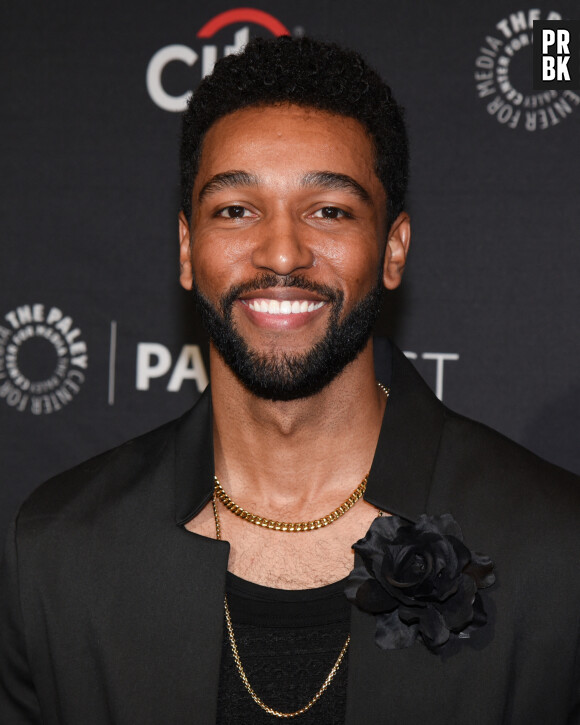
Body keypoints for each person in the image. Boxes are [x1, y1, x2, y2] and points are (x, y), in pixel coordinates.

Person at [1, 36, 579, 725]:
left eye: (328, 211)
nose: (281, 252)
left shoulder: (554, 547)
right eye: (236, 210)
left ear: (393, 250)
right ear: (187, 250)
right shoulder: (57, 550)